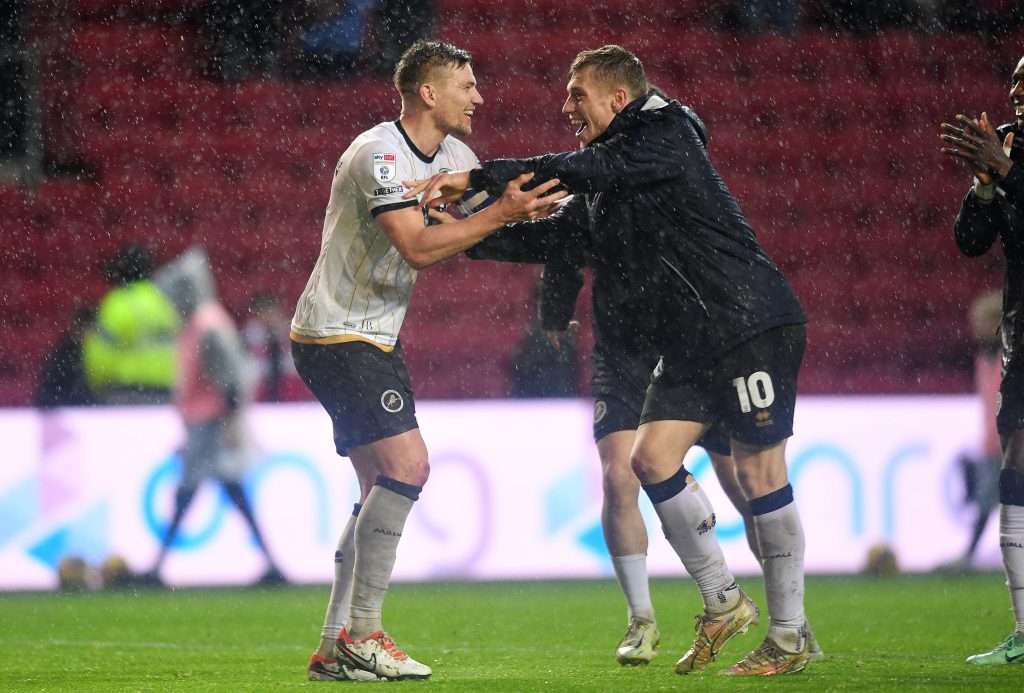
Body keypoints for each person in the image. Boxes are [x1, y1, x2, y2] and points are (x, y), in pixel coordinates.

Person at [407, 45, 811, 676]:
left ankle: (789, 635)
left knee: (758, 477)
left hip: (745, 321)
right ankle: (725, 601)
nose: (567, 106)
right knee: (648, 460)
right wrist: (467, 227)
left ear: (617, 100)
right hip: (691, 340)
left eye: (577, 95)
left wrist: (481, 175)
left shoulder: (665, 132)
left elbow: (575, 168)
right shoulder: (614, 181)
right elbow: (552, 233)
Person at [288, 39, 566, 682]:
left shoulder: (459, 158)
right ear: (428, 93)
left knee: (374, 491)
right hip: (339, 333)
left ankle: (334, 647)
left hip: (371, 334)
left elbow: (472, 233)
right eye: (467, 85)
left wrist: (543, 220)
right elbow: (417, 247)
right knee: (409, 468)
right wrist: (499, 211)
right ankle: (365, 633)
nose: (480, 96)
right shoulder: (377, 153)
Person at [941, 54, 1024, 665]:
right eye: (1014, 77)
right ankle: (1023, 629)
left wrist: (1009, 173)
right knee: (1015, 460)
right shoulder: (1010, 145)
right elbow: (971, 242)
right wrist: (985, 183)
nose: (1016, 88)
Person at [146, 247, 285, 586]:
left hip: (211, 422)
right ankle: (271, 564)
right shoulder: (200, 322)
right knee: (228, 491)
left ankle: (156, 566)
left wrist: (230, 423)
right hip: (206, 419)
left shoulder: (207, 325)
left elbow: (228, 379)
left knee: (192, 491)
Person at [82, 244, 179, 404]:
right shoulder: (168, 301)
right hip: (168, 394)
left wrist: (96, 387)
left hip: (127, 394)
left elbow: (99, 357)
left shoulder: (119, 302)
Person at [35, 306, 97, 408]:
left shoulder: (78, 351)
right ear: (80, 328)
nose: (92, 334)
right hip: (62, 408)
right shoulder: (66, 354)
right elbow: (71, 388)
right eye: (90, 329)